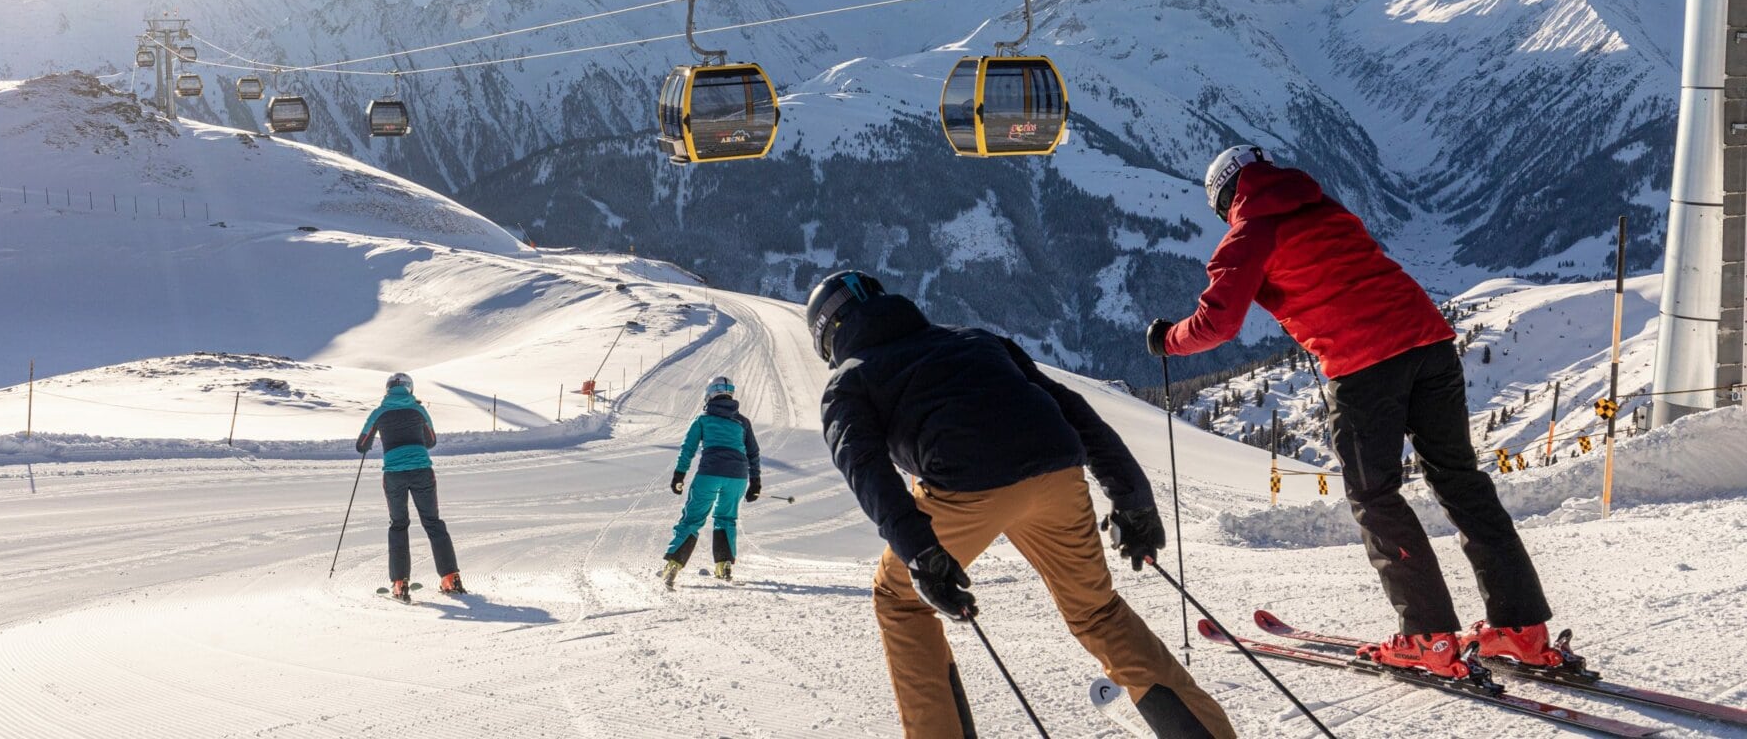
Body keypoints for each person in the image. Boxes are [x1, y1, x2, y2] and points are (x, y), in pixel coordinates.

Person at [1148, 145, 1563, 680]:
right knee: (1460, 480)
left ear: (1226, 198)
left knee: (1374, 494)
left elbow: (1218, 323)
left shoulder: (1249, 235)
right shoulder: (1325, 207)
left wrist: (1167, 340)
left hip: (1365, 366)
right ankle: (1521, 629)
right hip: (1430, 344)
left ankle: (1429, 637)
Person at [809, 270, 1235, 739]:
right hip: (1057, 472)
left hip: (965, 486)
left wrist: (921, 554)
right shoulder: (977, 340)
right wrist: (1133, 499)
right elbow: (1072, 409)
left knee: (900, 600)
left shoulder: (849, 381)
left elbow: (865, 467)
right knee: (1097, 612)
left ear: (829, 336)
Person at [356, 373, 462, 602]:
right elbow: (431, 440)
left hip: (394, 474)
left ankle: (399, 584)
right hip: (422, 471)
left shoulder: (379, 412)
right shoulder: (418, 410)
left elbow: (361, 445)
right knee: (433, 523)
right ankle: (450, 578)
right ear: (410, 389)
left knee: (399, 524)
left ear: (387, 390)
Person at [660, 377, 762, 587]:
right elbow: (753, 452)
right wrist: (756, 482)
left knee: (693, 519)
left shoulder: (703, 419)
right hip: (737, 476)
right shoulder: (742, 421)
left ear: (710, 394)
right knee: (726, 518)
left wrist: (679, 475)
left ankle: (674, 565)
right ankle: (723, 565)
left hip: (710, 473)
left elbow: (688, 448)